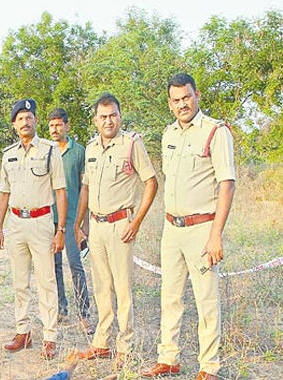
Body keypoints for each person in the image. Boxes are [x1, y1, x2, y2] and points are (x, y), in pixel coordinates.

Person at [141, 73, 235, 380]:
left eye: (187, 97)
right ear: (170, 103)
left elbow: (227, 184)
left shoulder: (215, 132)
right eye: (176, 99)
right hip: (172, 229)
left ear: (197, 95)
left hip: (201, 229)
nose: (182, 104)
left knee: (206, 299)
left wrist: (215, 235)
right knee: (169, 296)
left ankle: (209, 367)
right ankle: (168, 358)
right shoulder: (169, 134)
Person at [75, 94, 158, 370]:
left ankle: (126, 346)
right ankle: (102, 342)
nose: (108, 120)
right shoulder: (91, 149)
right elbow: (85, 187)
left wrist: (136, 222)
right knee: (102, 287)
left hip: (121, 225)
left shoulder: (132, 144)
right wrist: (80, 222)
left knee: (122, 289)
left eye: (113, 115)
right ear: (96, 120)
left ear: (120, 116)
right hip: (96, 226)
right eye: (103, 116)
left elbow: (151, 183)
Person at [0, 99, 67, 360]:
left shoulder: (49, 151)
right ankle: (23, 332)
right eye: (20, 118)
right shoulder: (8, 154)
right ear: (14, 125)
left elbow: (60, 191)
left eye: (29, 117)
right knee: (19, 281)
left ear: (36, 121)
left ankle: (50, 336)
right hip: (16, 223)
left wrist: (60, 230)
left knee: (46, 281)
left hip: (41, 222)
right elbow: (4, 193)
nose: (25, 121)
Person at [47, 108, 93, 335]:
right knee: (53, 266)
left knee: (75, 265)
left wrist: (84, 224)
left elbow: (86, 189)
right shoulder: (45, 152)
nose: (55, 130)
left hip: (73, 219)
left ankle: (85, 314)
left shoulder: (79, 152)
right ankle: (61, 309)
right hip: (49, 219)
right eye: (51, 126)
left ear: (67, 126)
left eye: (59, 125)